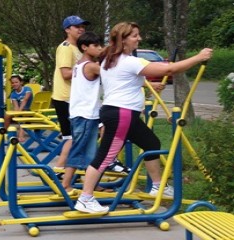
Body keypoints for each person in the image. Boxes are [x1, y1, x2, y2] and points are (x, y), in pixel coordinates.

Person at [74, 22, 213, 213]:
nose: (139, 38)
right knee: (105, 156)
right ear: (123, 39)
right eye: (134, 36)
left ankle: (157, 186)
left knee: (151, 143)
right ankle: (85, 198)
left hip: (120, 113)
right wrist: (198, 57)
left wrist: (146, 86)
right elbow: (168, 70)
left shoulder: (109, 59)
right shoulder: (127, 61)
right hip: (121, 114)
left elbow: (124, 81)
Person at [61, 31, 103, 193]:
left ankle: (91, 184)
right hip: (85, 114)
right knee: (79, 149)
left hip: (85, 114)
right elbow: (112, 73)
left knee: (91, 151)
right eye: (96, 46)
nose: (100, 48)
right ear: (85, 47)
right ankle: (66, 183)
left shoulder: (78, 65)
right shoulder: (91, 66)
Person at [51, 15, 90, 177]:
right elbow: (66, 73)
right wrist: (89, 70)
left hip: (74, 98)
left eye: (83, 26)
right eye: (77, 26)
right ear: (67, 30)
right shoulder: (66, 47)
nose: (81, 29)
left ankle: (62, 170)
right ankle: (60, 170)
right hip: (66, 98)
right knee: (73, 137)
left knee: (74, 137)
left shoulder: (78, 48)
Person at [4, 75, 33, 142]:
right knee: (7, 114)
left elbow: (25, 99)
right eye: (12, 83)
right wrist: (17, 112)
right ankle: (5, 131)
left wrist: (20, 111)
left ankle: (21, 136)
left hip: (29, 109)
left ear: (21, 82)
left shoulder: (27, 89)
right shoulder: (13, 94)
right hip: (20, 110)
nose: (14, 84)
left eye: (16, 82)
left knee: (23, 116)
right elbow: (15, 106)